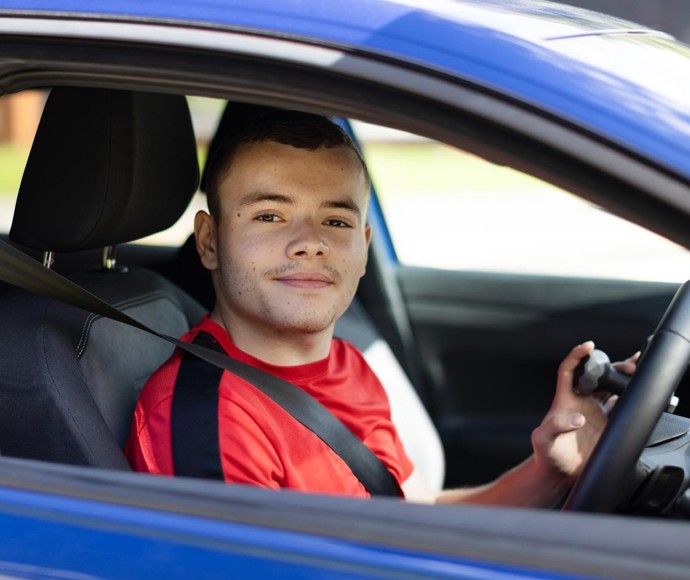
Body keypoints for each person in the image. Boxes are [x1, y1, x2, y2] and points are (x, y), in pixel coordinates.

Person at [126, 110, 637, 506]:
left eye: (337, 222)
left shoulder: (349, 365)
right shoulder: (208, 420)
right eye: (270, 214)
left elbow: (412, 523)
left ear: (364, 247)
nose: (310, 243)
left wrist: (554, 468)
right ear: (210, 242)